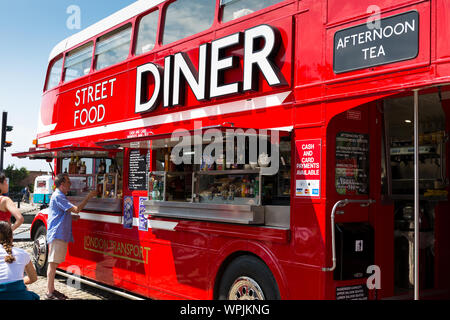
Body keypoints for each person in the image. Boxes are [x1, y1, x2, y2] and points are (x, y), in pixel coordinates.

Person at [46, 173, 97, 300]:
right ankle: (49, 292)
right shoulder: (59, 196)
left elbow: (62, 212)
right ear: (62, 184)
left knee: (54, 263)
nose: (70, 184)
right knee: (52, 264)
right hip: (57, 233)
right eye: (68, 182)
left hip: (58, 233)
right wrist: (88, 196)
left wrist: (70, 217)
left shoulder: (59, 195)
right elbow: (77, 209)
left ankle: (51, 290)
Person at [0, 221, 39, 300]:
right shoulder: (22, 253)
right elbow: (33, 278)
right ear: (11, 237)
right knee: (34, 296)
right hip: (19, 294)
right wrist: (18, 283)